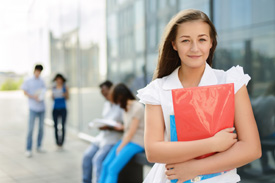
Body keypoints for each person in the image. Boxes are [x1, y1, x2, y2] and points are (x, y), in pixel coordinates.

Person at [137, 9, 261, 183]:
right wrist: (213, 144)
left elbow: (252, 148)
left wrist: (194, 168)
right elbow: (153, 151)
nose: (195, 48)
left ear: (211, 42)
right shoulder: (157, 90)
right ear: (174, 44)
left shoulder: (230, 82)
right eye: (185, 41)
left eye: (202, 39)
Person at [99, 83, 145, 183]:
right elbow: (129, 128)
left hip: (136, 142)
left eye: (116, 100)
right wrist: (121, 127)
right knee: (105, 164)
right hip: (127, 140)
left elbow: (132, 132)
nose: (117, 103)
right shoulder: (125, 108)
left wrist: (120, 147)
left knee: (112, 169)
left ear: (120, 96)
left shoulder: (137, 107)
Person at [82, 81, 123, 183]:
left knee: (97, 160)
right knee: (87, 157)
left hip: (113, 138)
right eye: (103, 94)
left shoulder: (121, 105)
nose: (105, 96)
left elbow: (125, 126)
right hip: (102, 136)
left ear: (112, 90)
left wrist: (110, 127)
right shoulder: (106, 104)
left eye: (106, 93)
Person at [21, 64, 46, 158]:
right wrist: (33, 97)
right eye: (37, 71)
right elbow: (24, 92)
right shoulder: (28, 80)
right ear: (34, 70)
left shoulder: (42, 81)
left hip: (41, 107)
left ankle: (39, 146)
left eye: (40, 71)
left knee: (41, 128)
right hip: (33, 107)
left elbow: (44, 90)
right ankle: (28, 149)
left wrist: (41, 96)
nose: (38, 73)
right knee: (30, 129)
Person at [252, 81, 275, 174]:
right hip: (268, 133)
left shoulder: (259, 99)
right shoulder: (272, 100)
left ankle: (265, 167)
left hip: (259, 133)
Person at [51, 73, 69, 149]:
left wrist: (64, 94)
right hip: (55, 109)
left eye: (60, 79)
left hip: (63, 108)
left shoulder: (65, 87)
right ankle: (57, 142)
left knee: (63, 126)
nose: (58, 81)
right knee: (55, 126)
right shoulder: (54, 87)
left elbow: (68, 97)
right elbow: (52, 98)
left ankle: (62, 143)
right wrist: (53, 95)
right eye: (57, 79)